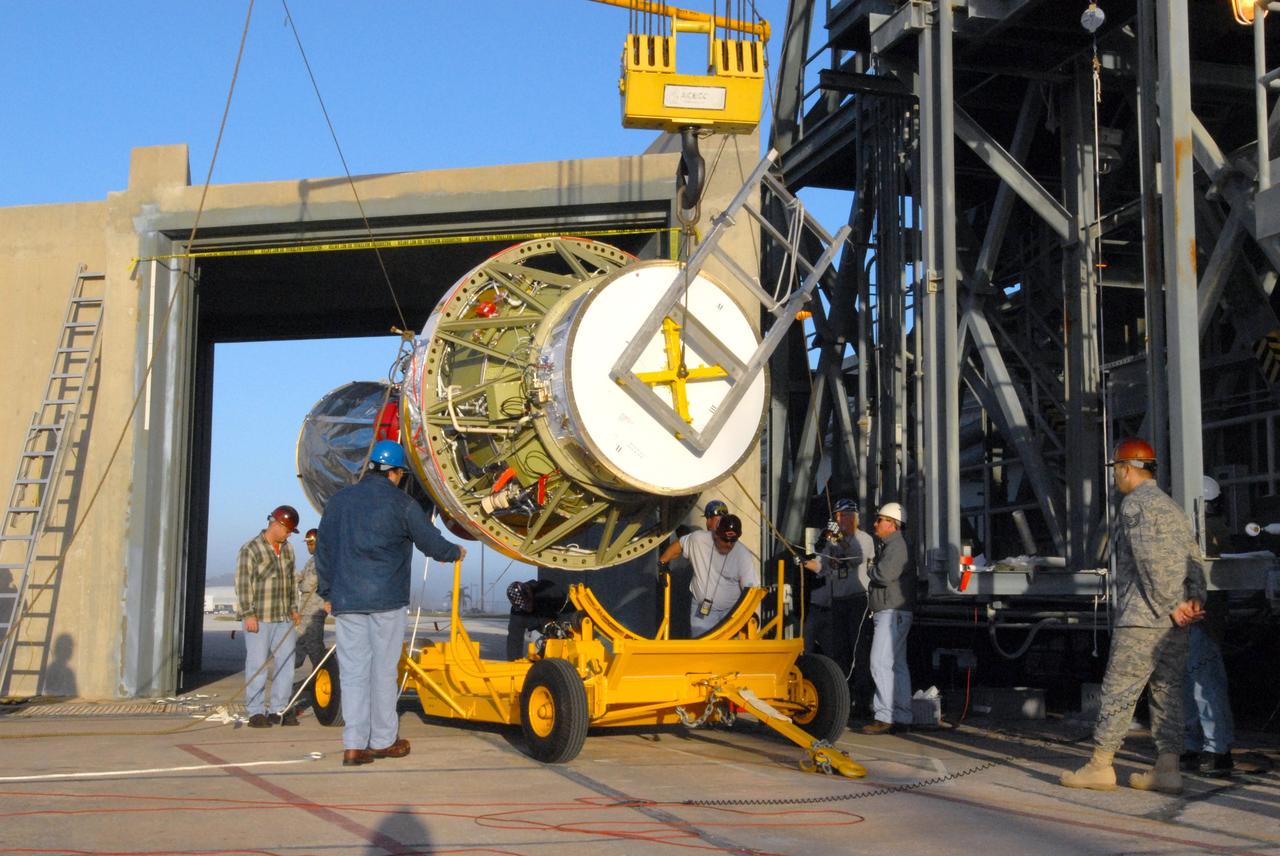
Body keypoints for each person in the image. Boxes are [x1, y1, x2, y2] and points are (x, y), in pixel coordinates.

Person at [1060, 438, 1206, 793]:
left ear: (1125, 468)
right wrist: (1193, 602)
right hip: (1177, 620)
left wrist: (1170, 603)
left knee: (1119, 691)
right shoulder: (1171, 507)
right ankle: (1168, 768)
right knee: (1167, 691)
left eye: (1115, 471)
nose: (1115, 478)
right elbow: (1194, 558)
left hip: (1144, 617)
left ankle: (1100, 765)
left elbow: (1148, 558)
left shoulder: (1134, 505)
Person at [316, 440, 464, 767]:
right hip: (387, 601)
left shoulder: (338, 503)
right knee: (383, 672)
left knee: (353, 674)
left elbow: (323, 552)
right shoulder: (402, 504)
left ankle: (354, 746)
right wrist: (454, 552)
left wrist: (328, 593)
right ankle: (383, 740)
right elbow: (430, 542)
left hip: (347, 601)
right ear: (395, 473)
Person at [1181, 476, 1235, 777]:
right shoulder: (1208, 530)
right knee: (1195, 685)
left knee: (1201, 685)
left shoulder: (1210, 531)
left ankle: (1214, 748)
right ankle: (1204, 746)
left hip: (1199, 619)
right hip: (1193, 618)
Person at [803, 498, 875, 713]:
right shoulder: (834, 542)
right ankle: (844, 697)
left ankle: (863, 699)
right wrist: (804, 562)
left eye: (842, 515)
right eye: (836, 515)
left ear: (853, 517)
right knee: (839, 651)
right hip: (838, 600)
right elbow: (823, 567)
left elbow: (855, 558)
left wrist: (839, 538)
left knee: (859, 650)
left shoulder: (864, 539)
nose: (837, 519)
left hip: (857, 600)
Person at [234, 504, 302, 728]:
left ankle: (278, 709)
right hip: (260, 618)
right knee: (257, 665)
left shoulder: (289, 550)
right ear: (276, 524)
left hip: (283, 618)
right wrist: (248, 614)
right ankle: (255, 711)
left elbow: (292, 581)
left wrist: (294, 608)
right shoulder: (251, 549)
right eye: (288, 530)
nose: (289, 534)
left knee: (286, 664)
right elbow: (243, 584)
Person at [862, 502, 915, 734]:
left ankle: (884, 716)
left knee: (880, 662)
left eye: (880, 520)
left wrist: (870, 568)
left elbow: (883, 575)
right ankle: (903, 715)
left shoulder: (896, 546)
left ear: (892, 524)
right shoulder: (894, 545)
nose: (875, 523)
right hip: (896, 611)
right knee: (897, 665)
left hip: (891, 611)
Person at [658, 513, 760, 637]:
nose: (729, 544)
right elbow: (680, 544)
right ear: (716, 534)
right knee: (703, 651)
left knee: (728, 653)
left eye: (733, 540)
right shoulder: (699, 540)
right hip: (702, 611)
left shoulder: (742, 554)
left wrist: (749, 613)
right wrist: (662, 563)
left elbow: (751, 589)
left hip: (731, 612)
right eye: (726, 540)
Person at [295, 528, 328, 672]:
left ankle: (324, 674)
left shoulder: (324, 560)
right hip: (305, 610)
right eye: (307, 544)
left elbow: (307, 583)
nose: (309, 547)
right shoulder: (311, 560)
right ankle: (287, 671)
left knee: (315, 646)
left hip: (315, 610)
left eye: (311, 543)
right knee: (300, 643)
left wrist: (301, 583)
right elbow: (301, 577)